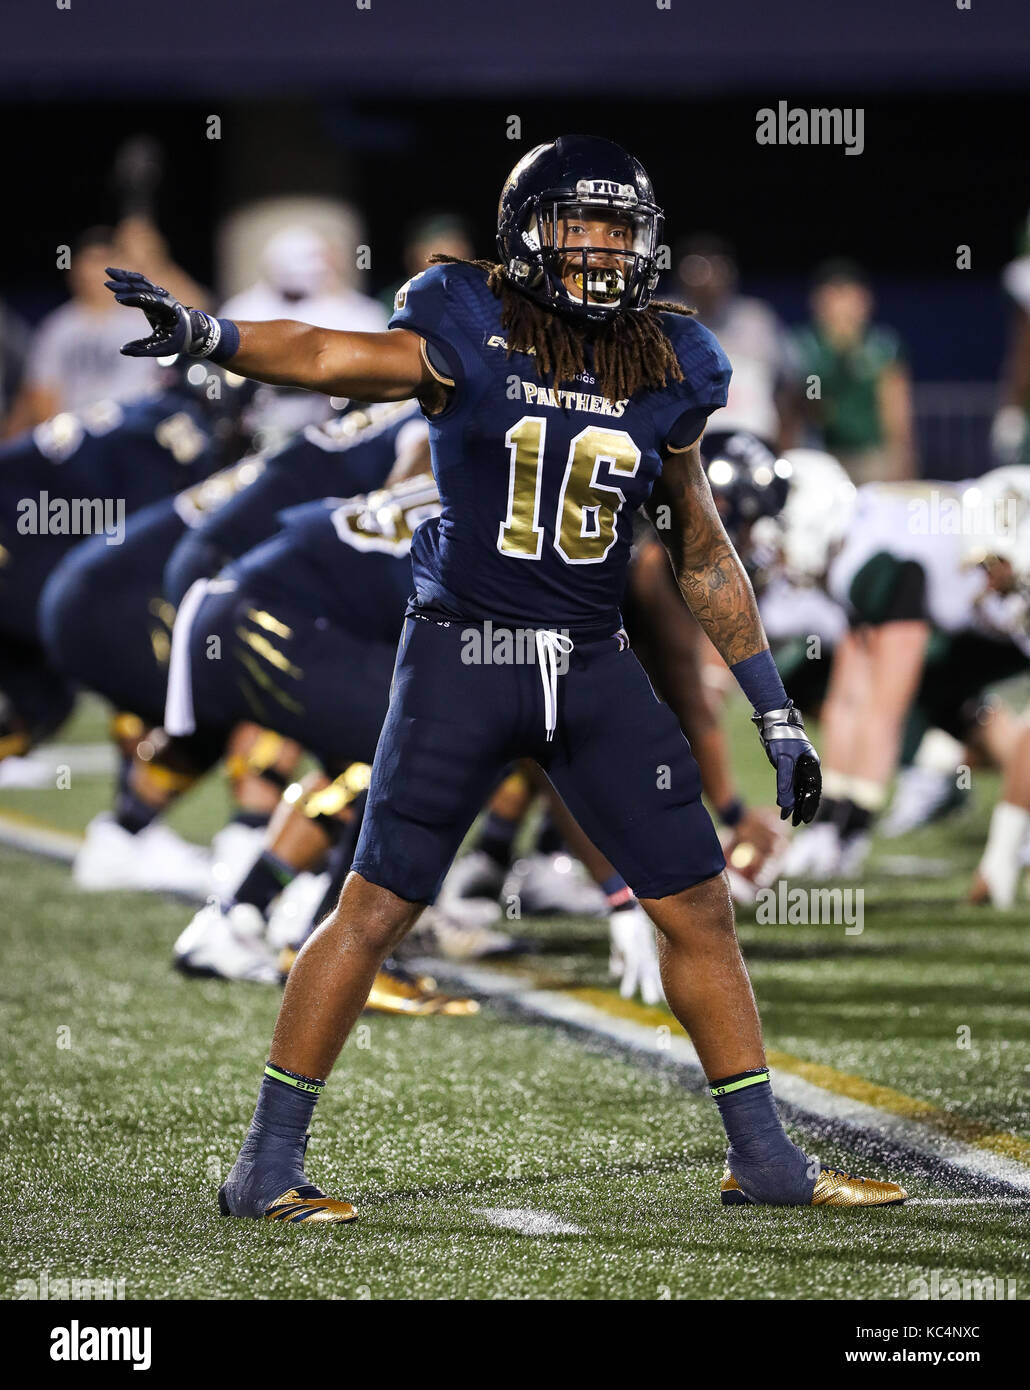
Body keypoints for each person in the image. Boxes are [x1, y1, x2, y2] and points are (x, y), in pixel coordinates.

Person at [106, 135, 905, 1221]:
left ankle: (763, 1161)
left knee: (700, 908)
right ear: (527, 231)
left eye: (620, 229)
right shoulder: (462, 317)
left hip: (590, 663)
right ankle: (264, 1165)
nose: (601, 249)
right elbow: (335, 358)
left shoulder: (668, 360)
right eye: (580, 223)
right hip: (460, 655)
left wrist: (775, 713)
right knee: (374, 906)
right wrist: (215, 334)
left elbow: (703, 551)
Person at [792, 259, 915, 485]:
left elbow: (897, 412)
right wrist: (836, 360)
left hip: (871, 456)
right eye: (834, 297)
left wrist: (903, 463)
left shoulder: (883, 345)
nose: (842, 306)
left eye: (849, 296)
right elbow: (807, 405)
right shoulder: (804, 345)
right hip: (822, 455)